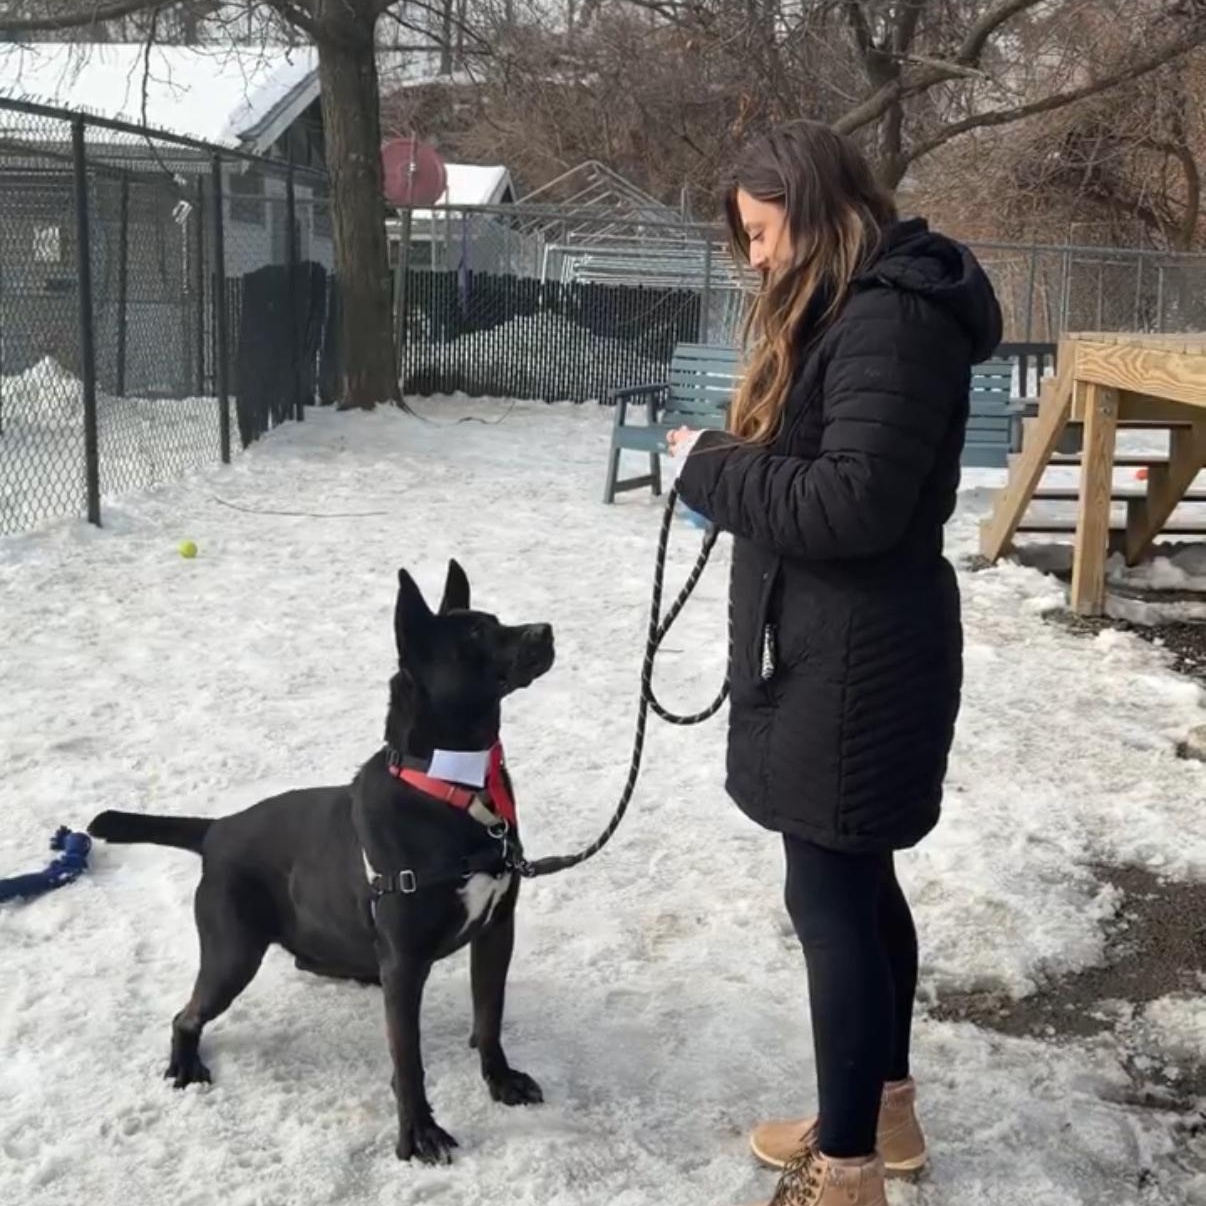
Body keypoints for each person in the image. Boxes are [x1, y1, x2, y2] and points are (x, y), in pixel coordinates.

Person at [669, 120, 1002, 1206]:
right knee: (858, 884)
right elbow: (830, 465)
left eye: (763, 232)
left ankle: (848, 1169)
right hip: (840, 643)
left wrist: (711, 469)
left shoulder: (888, 320)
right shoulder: (861, 309)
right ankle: (879, 1111)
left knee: (829, 899)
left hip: (861, 656)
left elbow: (853, 502)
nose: (756, 256)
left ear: (813, 211)